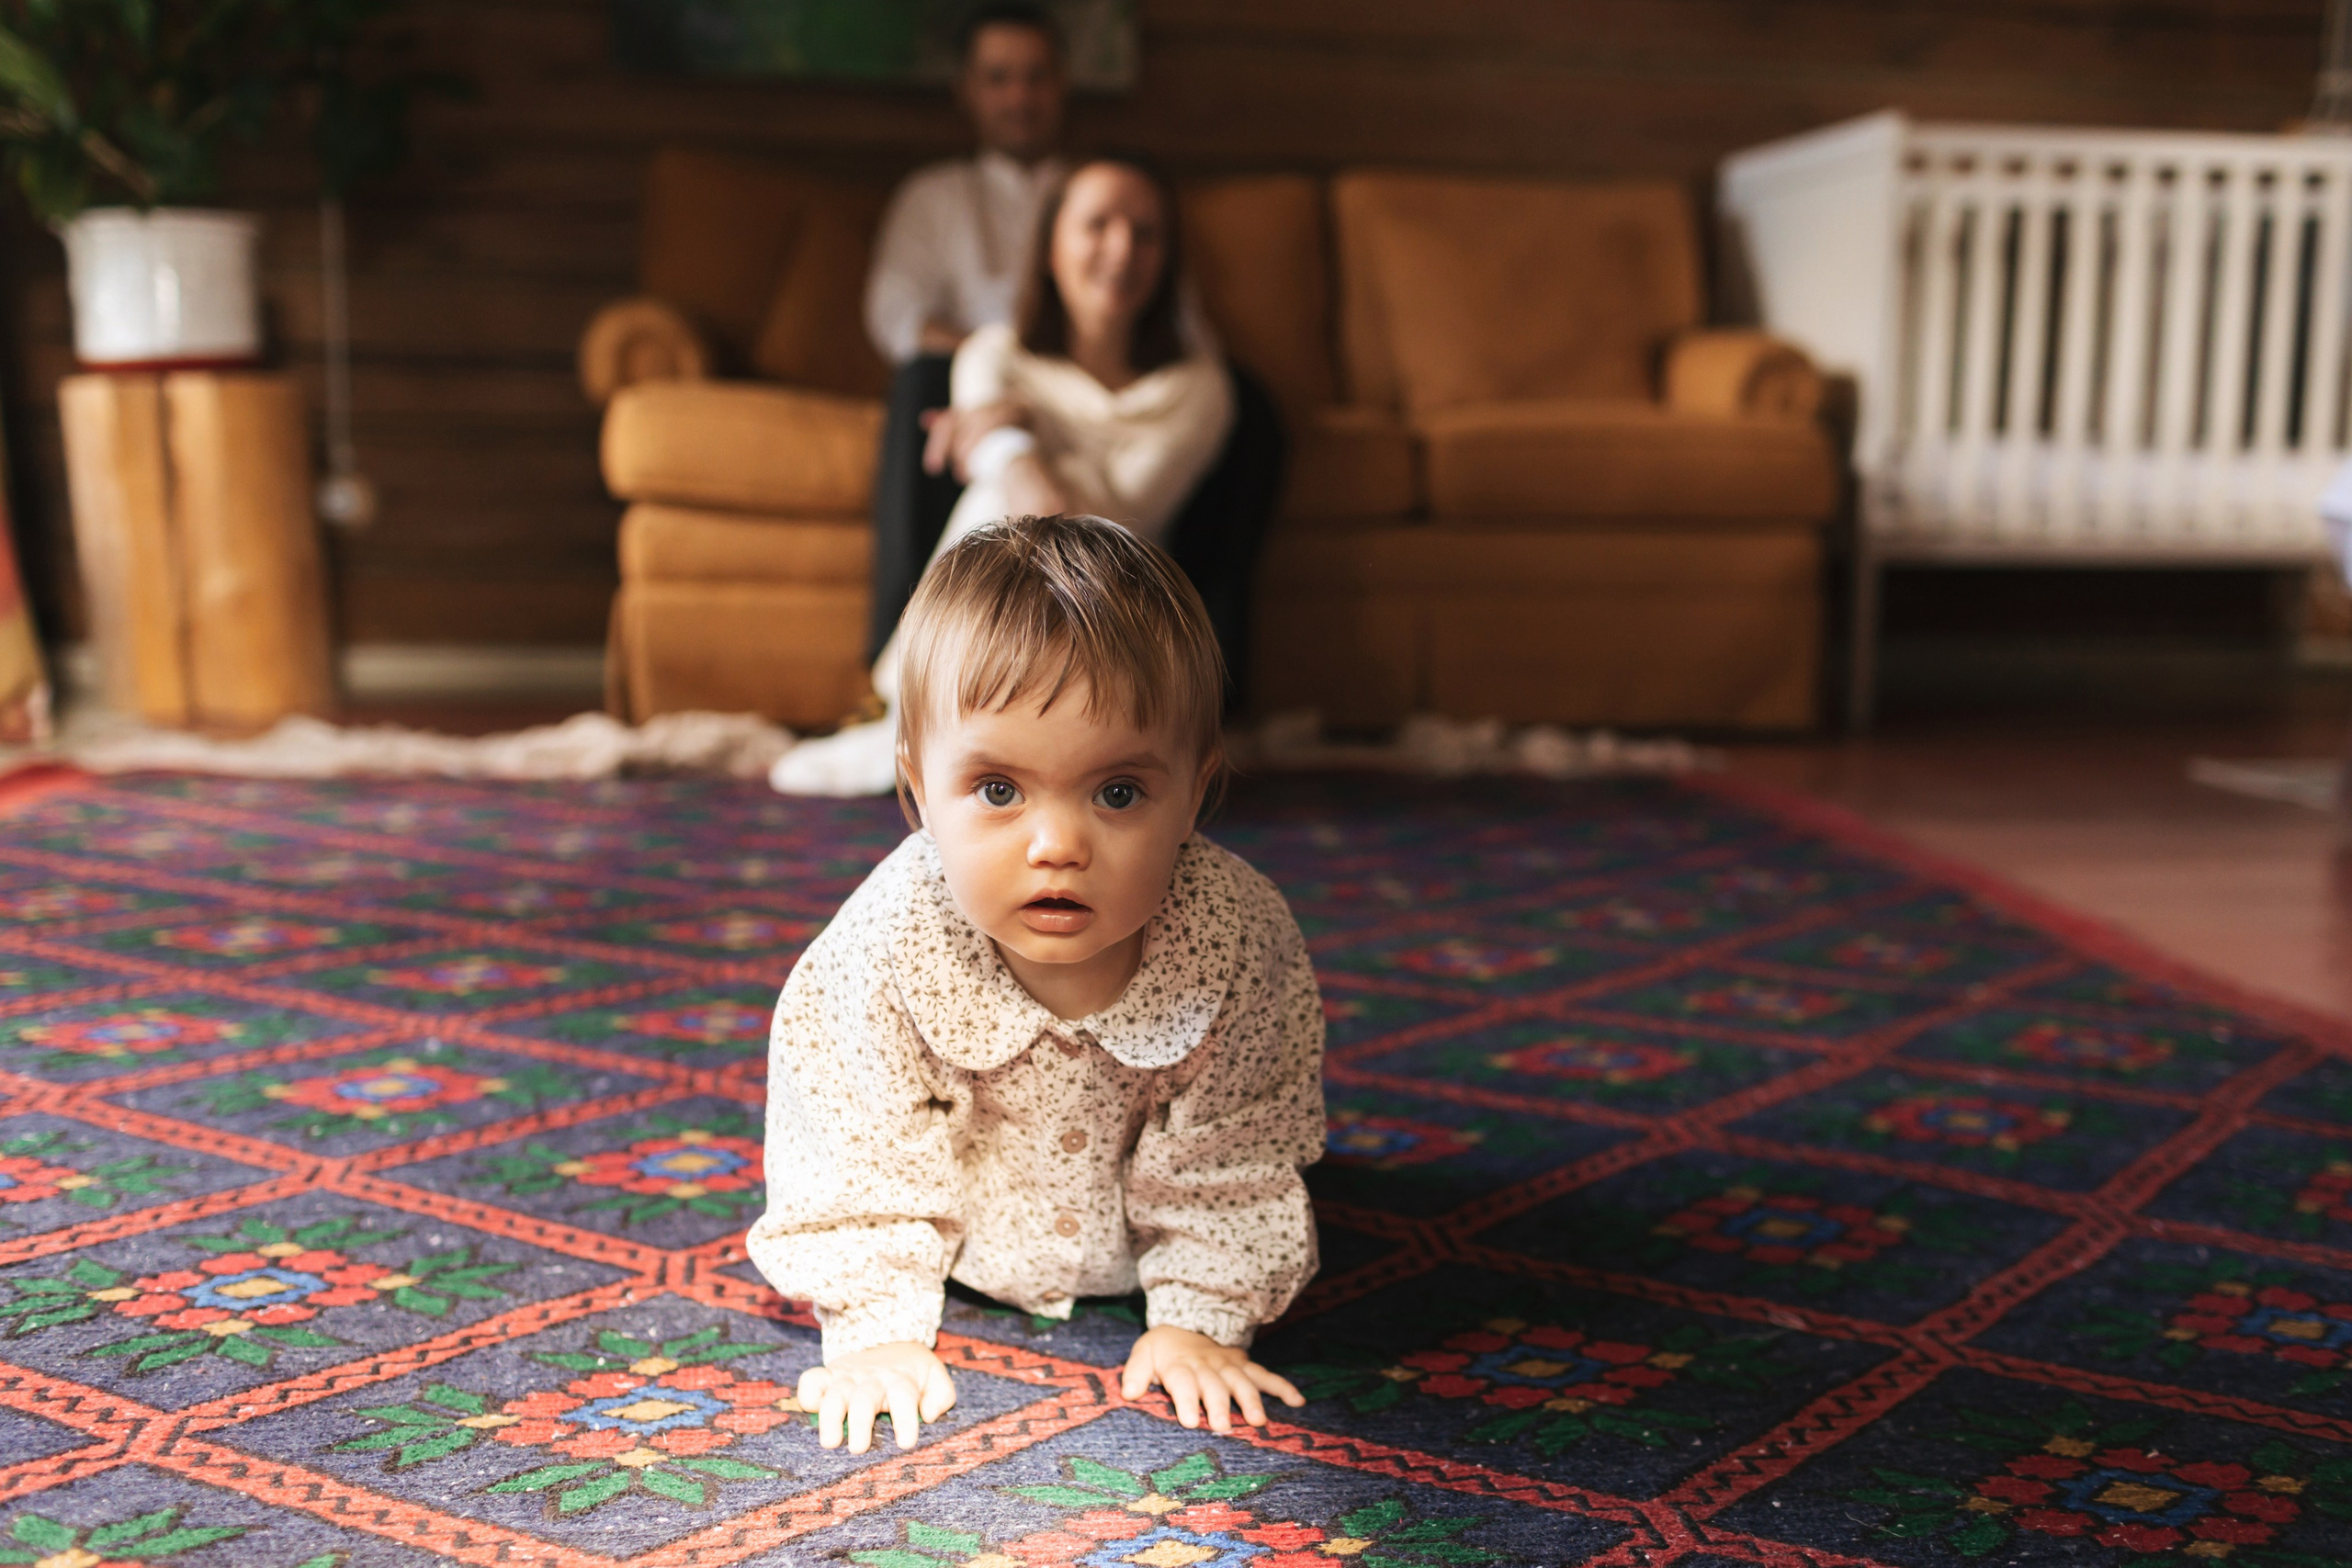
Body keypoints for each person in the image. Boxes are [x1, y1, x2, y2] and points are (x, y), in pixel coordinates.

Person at [750, 514, 1326, 1455]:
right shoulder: (892, 939)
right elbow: (851, 1135)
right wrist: (875, 1332)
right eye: (999, 790)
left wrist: (1200, 1318)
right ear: (918, 790)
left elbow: (1243, 1143)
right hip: (959, 1252)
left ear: (1196, 790)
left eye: (1118, 793)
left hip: (1146, 1252)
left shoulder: (1235, 940)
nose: (1056, 844)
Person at [779, 154, 1275, 795]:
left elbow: (1106, 526)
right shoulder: (994, 354)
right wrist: (1029, 450)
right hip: (1009, 590)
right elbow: (1028, 498)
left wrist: (1027, 430)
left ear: (1169, 257)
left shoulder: (1202, 391)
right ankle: (947, 700)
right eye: (1098, 225)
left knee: (1014, 492)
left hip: (1115, 613)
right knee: (998, 494)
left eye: (1146, 232)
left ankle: (945, 701)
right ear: (1050, 247)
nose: (1122, 249)